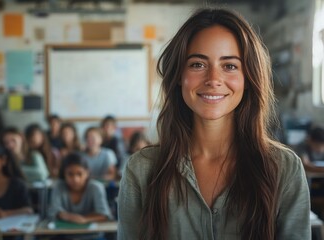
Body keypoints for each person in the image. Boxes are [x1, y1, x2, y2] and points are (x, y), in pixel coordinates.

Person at [118, 8, 310, 240]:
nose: (213, 80)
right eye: (198, 64)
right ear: (179, 75)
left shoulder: (284, 168)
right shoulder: (142, 170)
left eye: (229, 66)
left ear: (248, 78)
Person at [49, 152, 112, 224]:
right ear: (64, 174)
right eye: (70, 174)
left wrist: (84, 219)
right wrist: (69, 217)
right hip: (64, 234)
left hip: (93, 234)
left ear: (87, 173)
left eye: (80, 174)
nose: (75, 179)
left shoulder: (96, 187)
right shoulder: (59, 186)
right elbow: (53, 211)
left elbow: (104, 215)